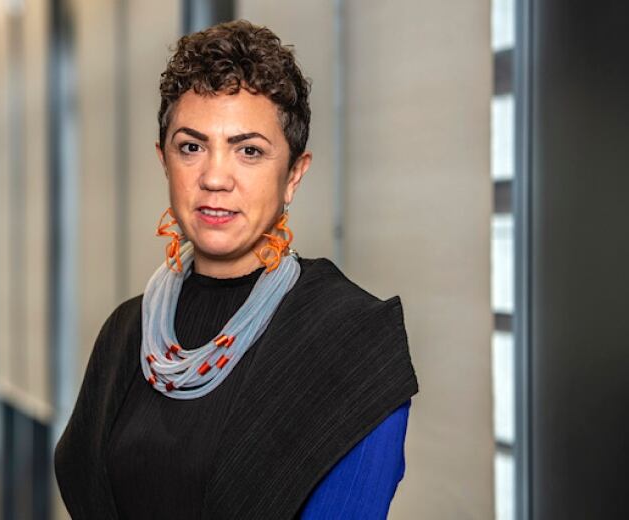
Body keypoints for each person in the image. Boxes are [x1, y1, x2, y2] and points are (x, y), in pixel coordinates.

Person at [54, 20, 418, 519]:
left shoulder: (352, 342)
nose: (215, 178)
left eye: (249, 151)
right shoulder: (127, 334)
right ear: (164, 162)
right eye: (192, 146)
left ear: (294, 174)